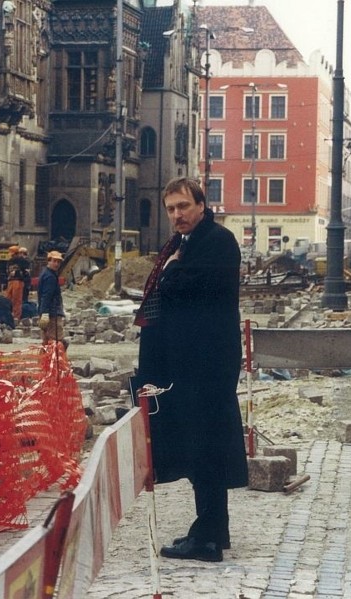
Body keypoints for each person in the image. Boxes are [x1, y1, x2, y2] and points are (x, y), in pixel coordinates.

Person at [133, 177, 248, 563]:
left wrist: (169, 274)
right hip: (194, 362)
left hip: (207, 365)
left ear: (201, 204)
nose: (177, 215)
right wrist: (171, 271)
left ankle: (207, 540)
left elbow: (183, 289)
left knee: (206, 448)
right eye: (171, 209)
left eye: (184, 206)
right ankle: (216, 530)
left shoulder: (216, 241)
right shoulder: (184, 245)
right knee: (204, 447)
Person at [37, 250, 66, 345]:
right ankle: (56, 360)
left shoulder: (46, 273)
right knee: (56, 341)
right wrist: (45, 313)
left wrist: (43, 312)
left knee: (46, 341)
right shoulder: (50, 277)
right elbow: (46, 296)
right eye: (54, 261)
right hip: (52, 313)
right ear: (49, 261)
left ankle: (44, 359)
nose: (56, 264)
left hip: (47, 312)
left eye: (58, 262)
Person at [6, 245, 31, 320]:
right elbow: (27, 272)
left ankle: (12, 315)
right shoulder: (22, 261)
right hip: (16, 281)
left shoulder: (11, 261)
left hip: (13, 281)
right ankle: (15, 317)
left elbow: (8, 271)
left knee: (11, 299)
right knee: (16, 300)